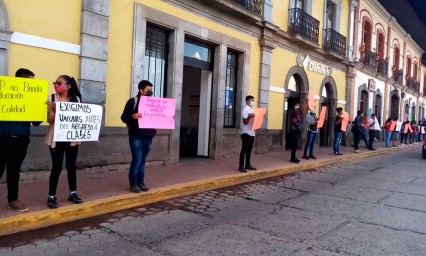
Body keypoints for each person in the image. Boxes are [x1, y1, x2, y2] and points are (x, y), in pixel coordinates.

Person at [0, 69, 40, 212]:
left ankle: (13, 200)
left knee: (14, 170)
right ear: (19, 81)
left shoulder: (32, 98)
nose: (32, 85)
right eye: (29, 81)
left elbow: (36, 122)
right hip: (2, 138)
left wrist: (42, 109)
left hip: (22, 139)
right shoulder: (5, 93)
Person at [46, 75, 83, 209]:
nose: (56, 85)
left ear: (68, 86)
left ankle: (73, 193)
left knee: (71, 165)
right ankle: (51, 196)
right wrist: (53, 111)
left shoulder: (76, 100)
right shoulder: (51, 98)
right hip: (56, 137)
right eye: (55, 82)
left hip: (71, 137)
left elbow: (78, 119)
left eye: (59, 83)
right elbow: (49, 121)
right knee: (56, 166)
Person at [121, 80, 157, 193]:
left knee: (143, 161)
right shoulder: (133, 101)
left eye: (151, 90)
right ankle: (133, 184)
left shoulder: (153, 103)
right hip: (136, 135)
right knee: (137, 160)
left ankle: (141, 182)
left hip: (148, 136)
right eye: (148, 90)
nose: (150, 92)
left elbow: (159, 116)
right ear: (141, 90)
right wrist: (133, 116)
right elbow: (123, 117)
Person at [238, 95, 256, 173]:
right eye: (252, 100)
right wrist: (249, 117)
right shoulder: (245, 110)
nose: (253, 102)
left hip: (252, 132)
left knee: (249, 150)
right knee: (244, 150)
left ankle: (247, 164)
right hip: (245, 132)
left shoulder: (252, 109)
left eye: (253, 100)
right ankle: (241, 166)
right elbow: (245, 122)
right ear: (247, 101)